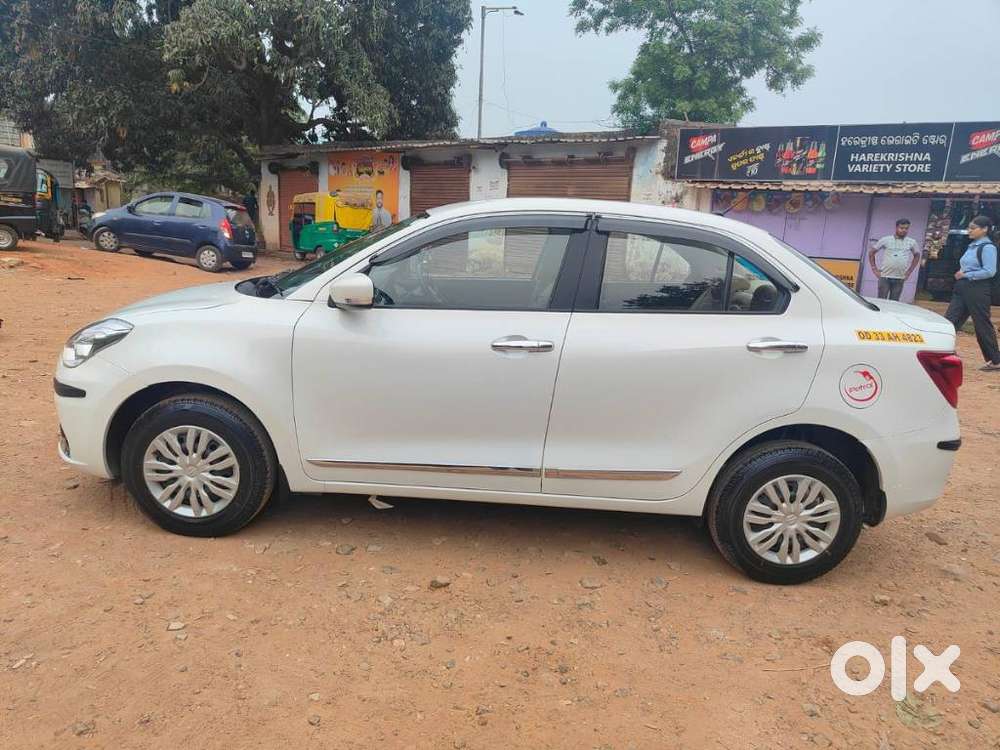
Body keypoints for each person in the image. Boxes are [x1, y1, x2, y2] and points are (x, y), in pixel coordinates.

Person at [945, 215, 1000, 371]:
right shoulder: (972, 246)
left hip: (977, 289)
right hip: (962, 287)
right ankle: (944, 351)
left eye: (973, 228)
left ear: (985, 229)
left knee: (981, 324)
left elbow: (990, 271)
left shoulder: (988, 247)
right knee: (950, 321)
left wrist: (967, 274)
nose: (969, 230)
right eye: (969, 228)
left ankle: (996, 360)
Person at [868, 218, 920, 301]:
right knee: (881, 302)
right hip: (885, 277)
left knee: (894, 303)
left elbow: (917, 255)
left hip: (900, 278)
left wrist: (909, 272)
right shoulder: (885, 240)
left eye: (906, 228)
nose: (904, 230)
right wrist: (874, 269)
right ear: (896, 228)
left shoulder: (912, 242)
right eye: (901, 228)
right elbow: (871, 253)